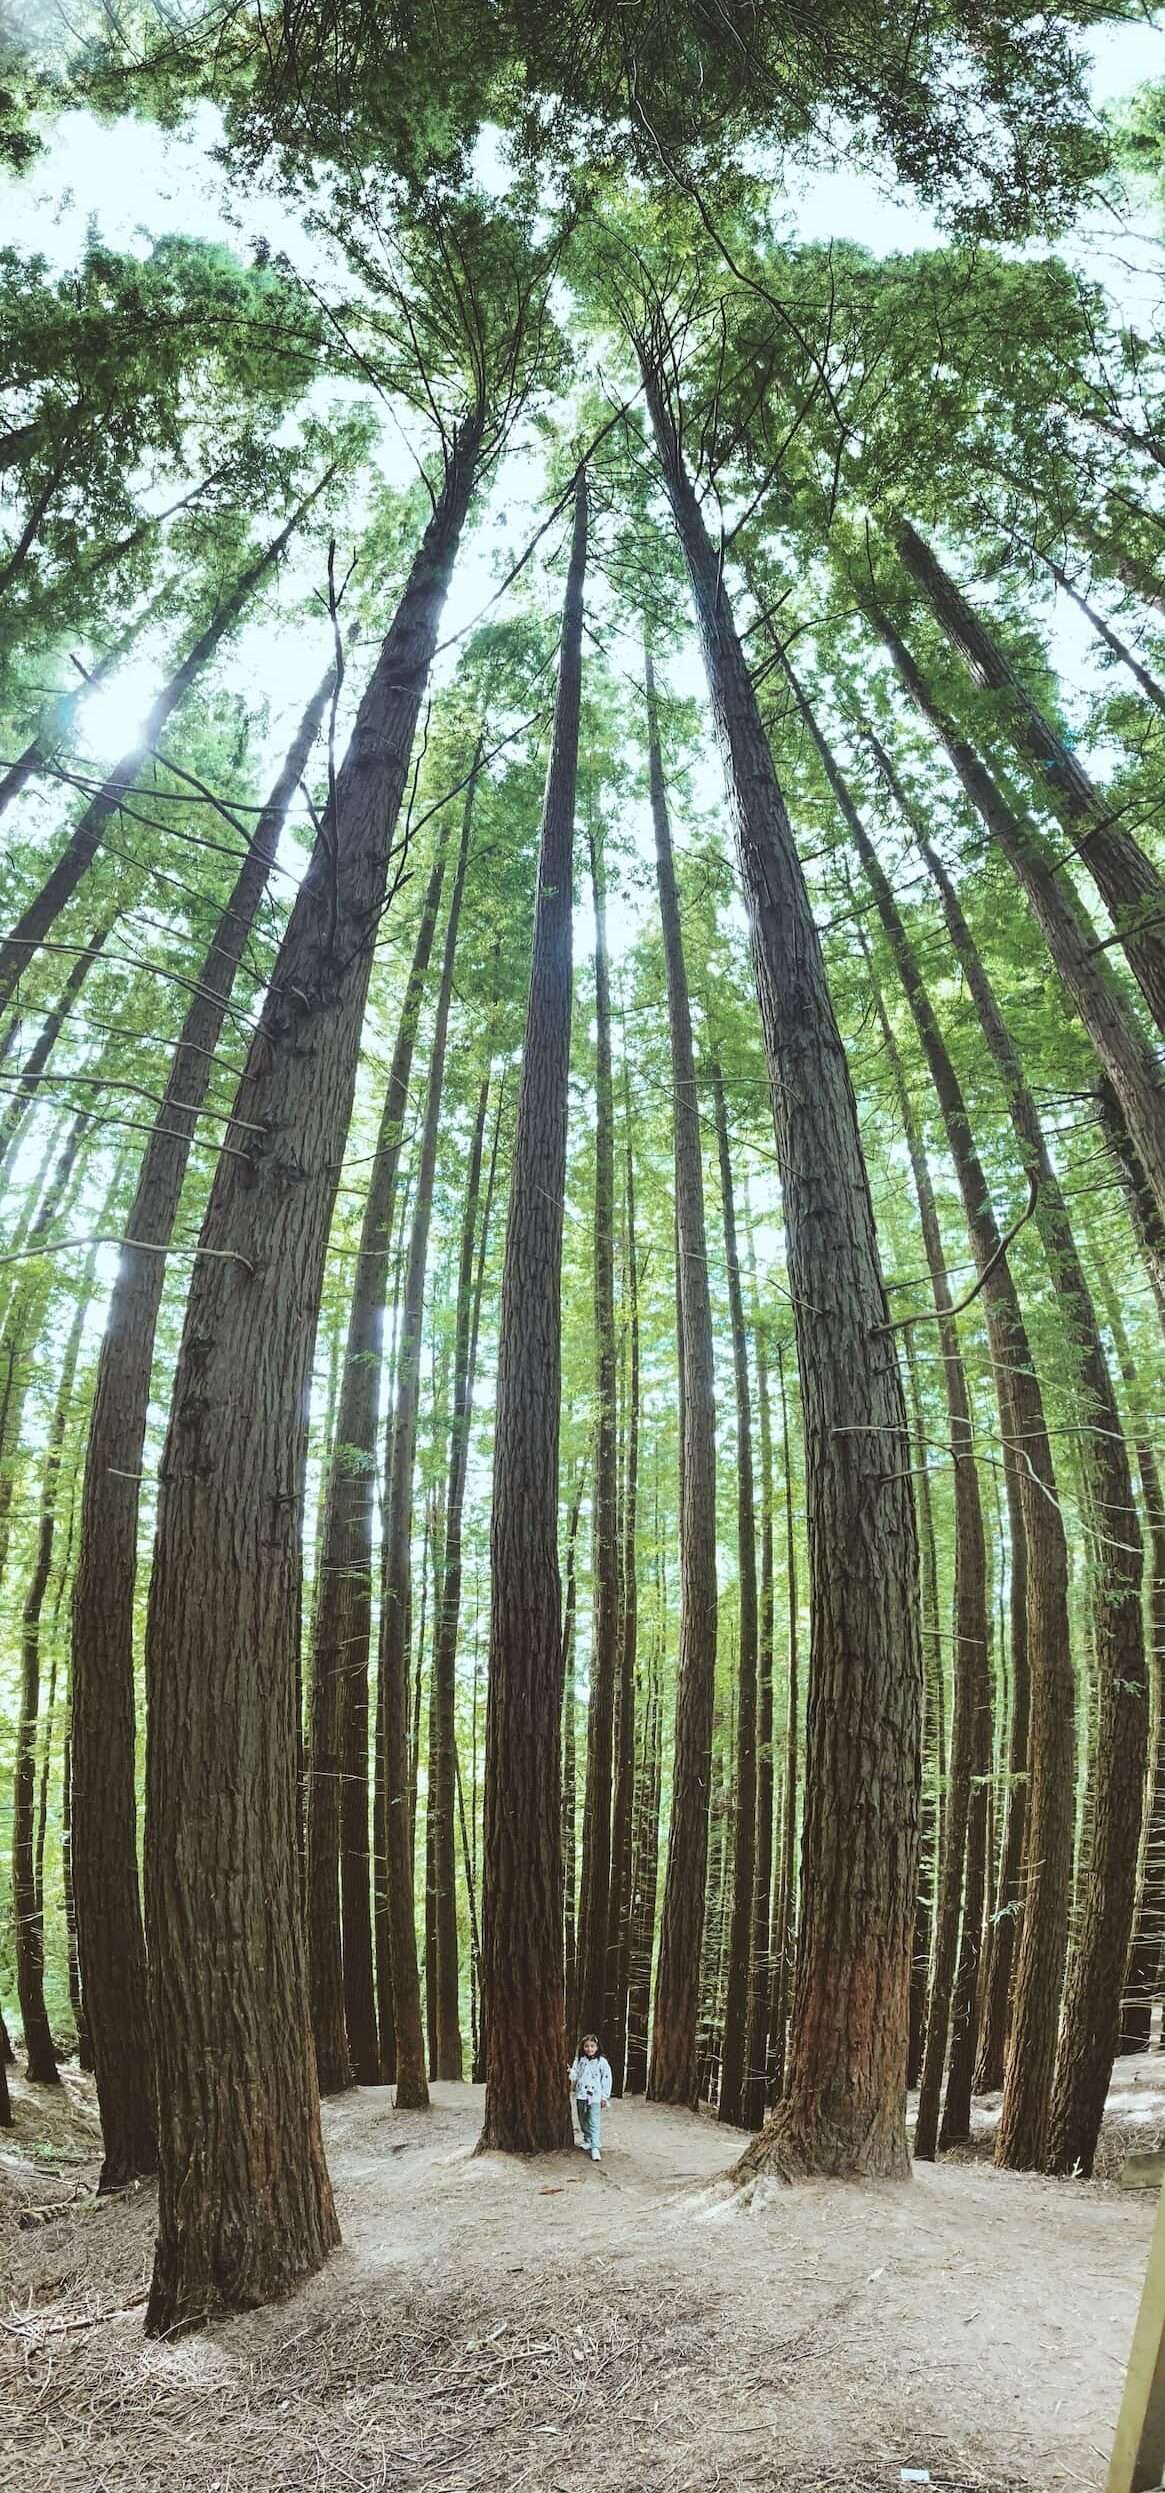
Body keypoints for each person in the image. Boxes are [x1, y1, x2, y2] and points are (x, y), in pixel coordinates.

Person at [569, 2033, 612, 2163]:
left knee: (593, 2119)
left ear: (597, 2047)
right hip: (581, 2095)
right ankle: (587, 2139)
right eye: (586, 2046)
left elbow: (606, 2079)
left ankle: (595, 2146)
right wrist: (570, 2072)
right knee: (582, 2118)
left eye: (592, 2046)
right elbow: (575, 2074)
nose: (589, 2049)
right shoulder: (579, 2060)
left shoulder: (602, 2062)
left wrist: (605, 2097)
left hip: (595, 2096)